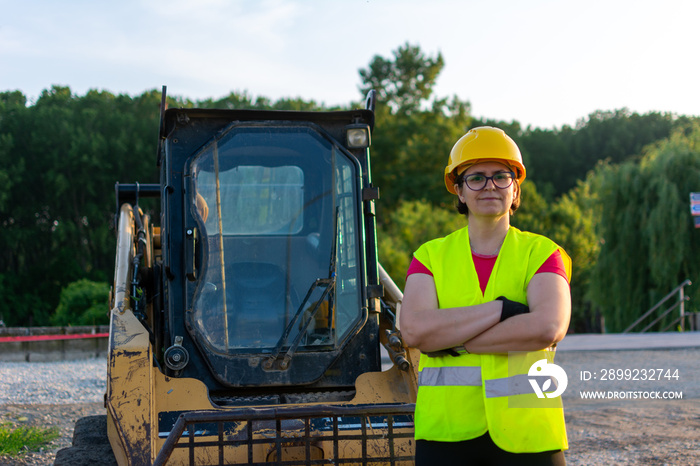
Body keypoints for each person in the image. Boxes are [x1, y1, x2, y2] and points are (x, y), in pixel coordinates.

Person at [399, 126, 572, 466]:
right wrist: (502, 310)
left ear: (515, 188)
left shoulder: (542, 253)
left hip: (529, 431)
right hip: (446, 433)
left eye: (501, 176)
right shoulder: (430, 256)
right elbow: (415, 332)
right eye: (476, 177)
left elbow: (547, 327)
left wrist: (455, 341)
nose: (489, 185)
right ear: (460, 192)